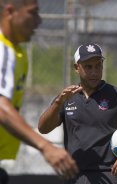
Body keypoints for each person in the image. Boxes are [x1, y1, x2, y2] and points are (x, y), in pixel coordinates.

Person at [38, 43, 117, 184]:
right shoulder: (68, 98)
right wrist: (58, 103)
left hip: (107, 175)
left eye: (98, 66)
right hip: (73, 176)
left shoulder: (116, 96)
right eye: (88, 67)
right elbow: (43, 128)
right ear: (77, 68)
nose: (94, 72)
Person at [0, 0, 79, 181]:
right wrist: (45, 146)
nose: (38, 21)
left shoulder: (15, 52)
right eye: (33, 13)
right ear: (10, 12)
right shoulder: (2, 49)